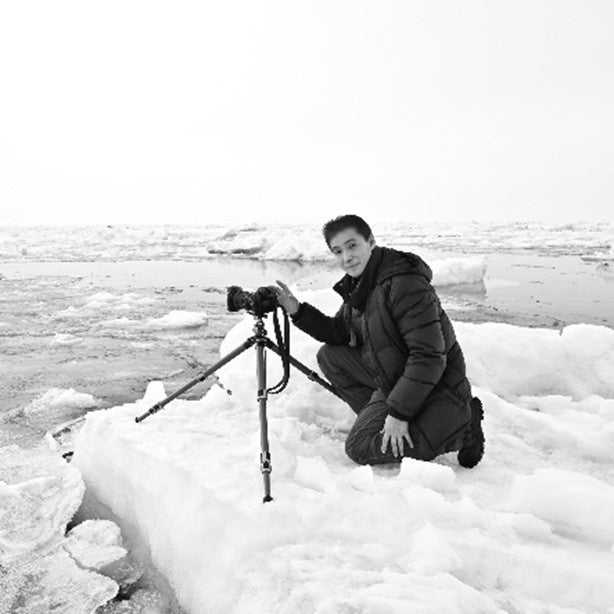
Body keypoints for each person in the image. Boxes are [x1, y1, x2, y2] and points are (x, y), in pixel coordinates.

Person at [274, 214, 484, 467]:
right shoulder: (362, 284)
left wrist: (399, 413)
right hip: (398, 376)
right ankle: (384, 420)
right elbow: (339, 332)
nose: (346, 257)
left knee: (359, 447)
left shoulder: (405, 284)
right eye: (337, 251)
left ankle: (461, 428)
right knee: (331, 357)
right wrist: (297, 311)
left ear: (371, 242)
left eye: (352, 246)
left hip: (438, 386)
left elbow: (428, 357)